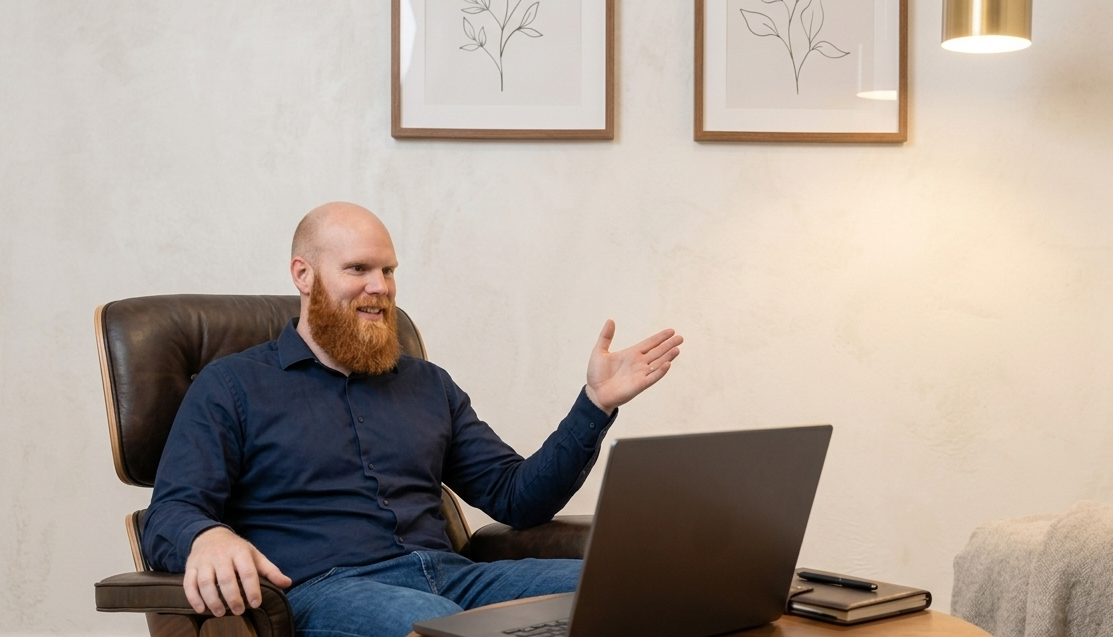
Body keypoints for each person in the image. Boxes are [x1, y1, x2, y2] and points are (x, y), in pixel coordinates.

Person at [142, 202, 683, 637]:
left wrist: (595, 403)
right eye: (358, 269)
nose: (380, 286)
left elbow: (517, 497)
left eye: (388, 270)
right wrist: (207, 537)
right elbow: (171, 512)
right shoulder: (231, 386)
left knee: (633, 584)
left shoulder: (428, 384)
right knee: (434, 625)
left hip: (454, 579)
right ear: (303, 275)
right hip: (325, 590)